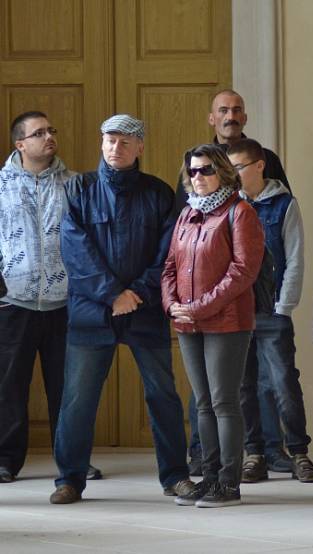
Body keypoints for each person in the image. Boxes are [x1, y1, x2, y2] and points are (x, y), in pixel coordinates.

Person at [49, 114, 193, 504]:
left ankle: (175, 475)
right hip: (91, 310)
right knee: (77, 399)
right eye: (111, 140)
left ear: (140, 148)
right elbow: (74, 250)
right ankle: (69, 480)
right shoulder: (80, 188)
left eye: (126, 142)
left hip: (144, 310)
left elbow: (169, 255)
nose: (117, 148)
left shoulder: (160, 193)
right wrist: (112, 293)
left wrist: (136, 293)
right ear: (101, 143)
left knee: (163, 394)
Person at [180, 89, 292, 477]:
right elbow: (176, 252)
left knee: (259, 381)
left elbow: (277, 222)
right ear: (212, 118)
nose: (231, 115)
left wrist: (279, 292)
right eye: (223, 110)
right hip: (195, 306)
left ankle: (262, 454)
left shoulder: (251, 192)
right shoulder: (195, 173)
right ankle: (203, 458)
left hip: (246, 297)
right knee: (207, 393)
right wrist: (175, 300)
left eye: (237, 109)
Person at [0, 111, 100, 483]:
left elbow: (91, 240)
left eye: (50, 130)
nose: (48, 136)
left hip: (65, 303)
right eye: (38, 132)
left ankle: (73, 462)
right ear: (20, 144)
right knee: (9, 388)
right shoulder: (0, 185)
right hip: (13, 305)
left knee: (69, 389)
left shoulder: (76, 185)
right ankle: (6, 460)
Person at [162, 144, 264, 507]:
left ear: (222, 170)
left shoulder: (240, 212)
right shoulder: (186, 214)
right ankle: (208, 477)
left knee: (224, 402)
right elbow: (170, 266)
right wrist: (173, 305)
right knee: (202, 403)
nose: (198, 178)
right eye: (192, 171)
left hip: (227, 322)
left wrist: (198, 308)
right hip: (189, 322)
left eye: (205, 170)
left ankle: (229, 483)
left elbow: (242, 272)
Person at [227, 139, 313, 484]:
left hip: (272, 312)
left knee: (283, 383)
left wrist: (284, 306)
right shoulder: (228, 205)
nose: (233, 174)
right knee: (243, 386)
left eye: (238, 167)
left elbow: (295, 258)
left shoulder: (283, 204)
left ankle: (299, 452)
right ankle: (254, 454)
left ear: (259, 165)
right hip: (235, 312)